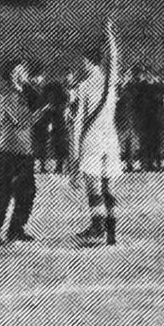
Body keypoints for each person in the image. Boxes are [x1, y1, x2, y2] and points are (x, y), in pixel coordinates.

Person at [69, 17, 122, 246]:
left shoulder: (83, 86)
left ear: (88, 62)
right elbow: (115, 60)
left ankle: (97, 227)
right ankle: (111, 230)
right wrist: (110, 37)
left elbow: (78, 120)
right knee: (107, 184)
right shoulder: (109, 82)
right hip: (110, 138)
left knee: (93, 185)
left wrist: (74, 154)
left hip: (91, 139)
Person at [0, 59, 44, 245]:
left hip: (24, 150)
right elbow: (21, 120)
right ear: (11, 75)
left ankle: (16, 229)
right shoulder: (9, 95)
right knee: (5, 190)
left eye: (23, 70)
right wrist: (45, 110)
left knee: (27, 191)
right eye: (18, 71)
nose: (22, 74)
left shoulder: (25, 94)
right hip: (10, 150)